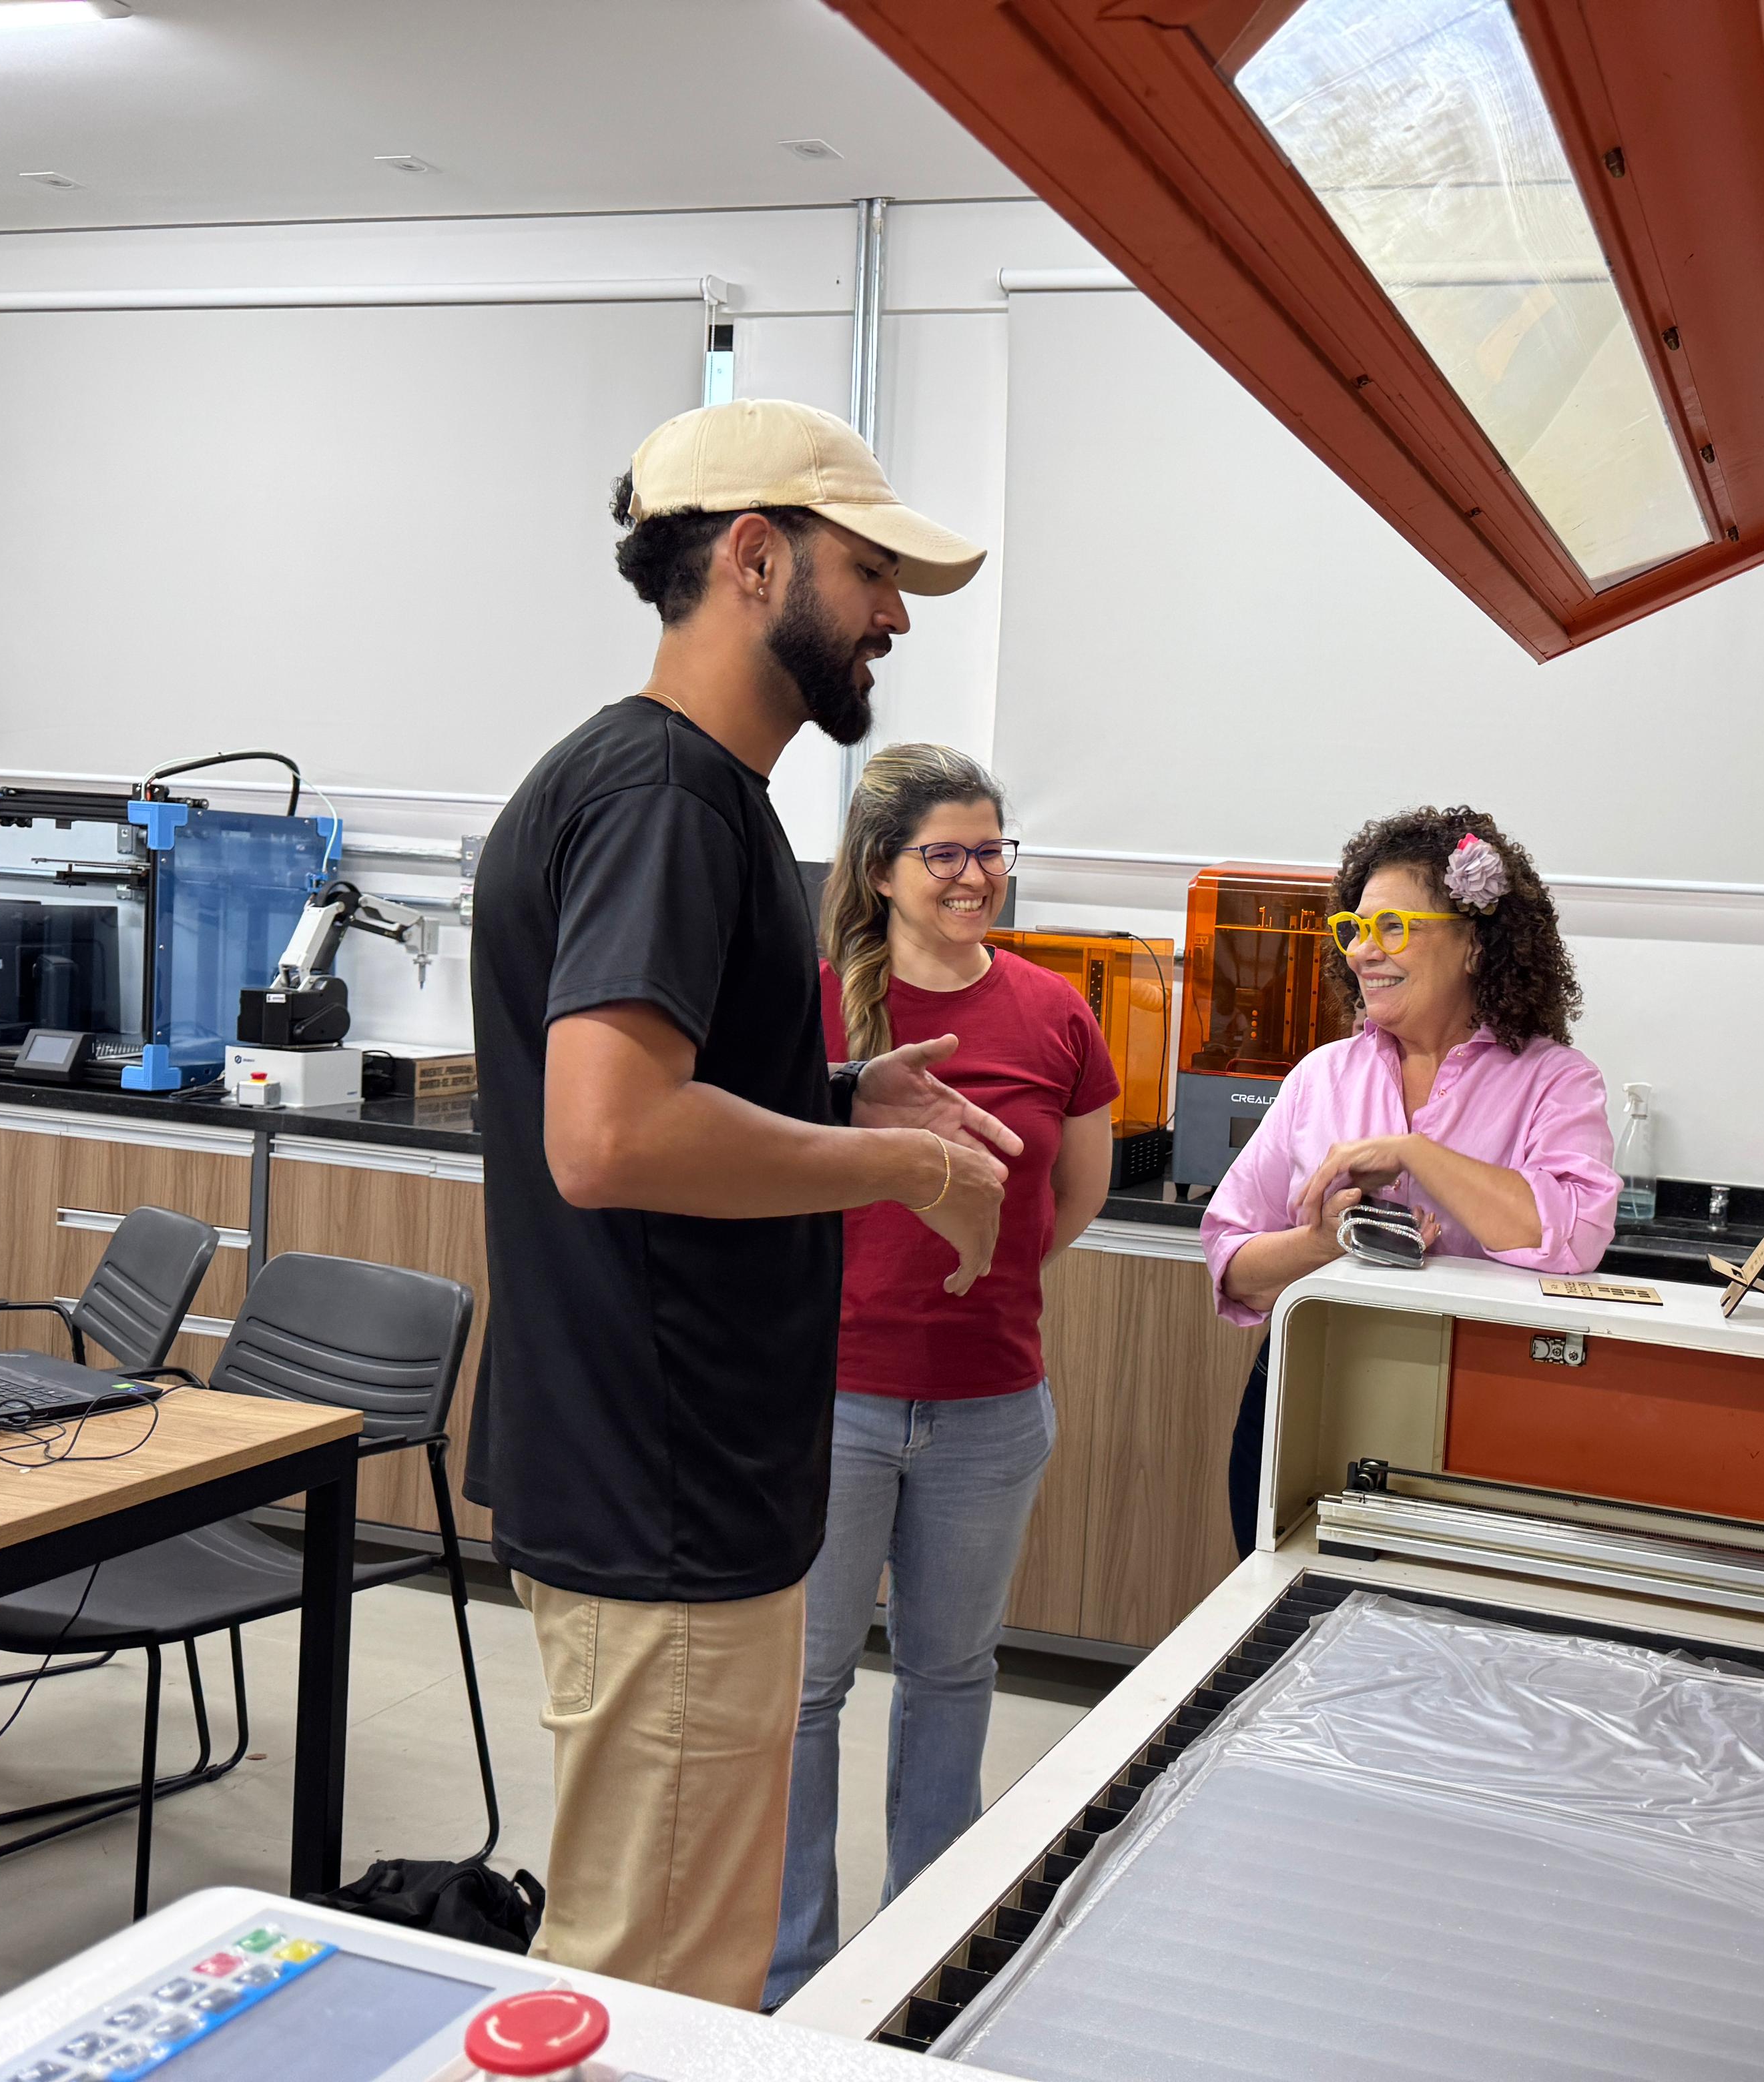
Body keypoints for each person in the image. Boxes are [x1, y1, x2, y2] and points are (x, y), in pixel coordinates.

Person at [467, 400, 1018, 2010]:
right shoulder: (666, 797)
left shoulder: (665, 788)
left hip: (664, 1481)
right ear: (755, 556)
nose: (896, 616)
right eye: (870, 570)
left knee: (653, 1958)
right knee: (646, 1992)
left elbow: (656, 1100)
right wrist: (905, 1165)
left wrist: (847, 1096)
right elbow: (612, 1138)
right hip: (668, 1493)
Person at [766, 746, 1117, 2004]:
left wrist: (983, 1268)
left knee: (952, 1676)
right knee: (803, 1695)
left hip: (989, 1404)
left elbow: (1072, 1198)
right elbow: (763, 1182)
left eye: (993, 849)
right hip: (834, 1400)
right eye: (949, 853)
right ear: (881, 868)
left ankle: (923, 1952)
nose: (979, 876)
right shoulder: (810, 1010)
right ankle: (795, 1974)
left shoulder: (1054, 1011)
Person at [1201, 806, 1621, 1549]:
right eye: (1355, 929)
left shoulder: (1555, 1081)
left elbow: (1573, 1237)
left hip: (1480, 1415)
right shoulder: (1318, 1078)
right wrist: (1325, 1242)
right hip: (1307, 1397)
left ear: (1471, 945)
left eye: (1393, 927)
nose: (1365, 950)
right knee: (1281, 1621)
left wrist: (1416, 1154)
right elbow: (1233, 1266)